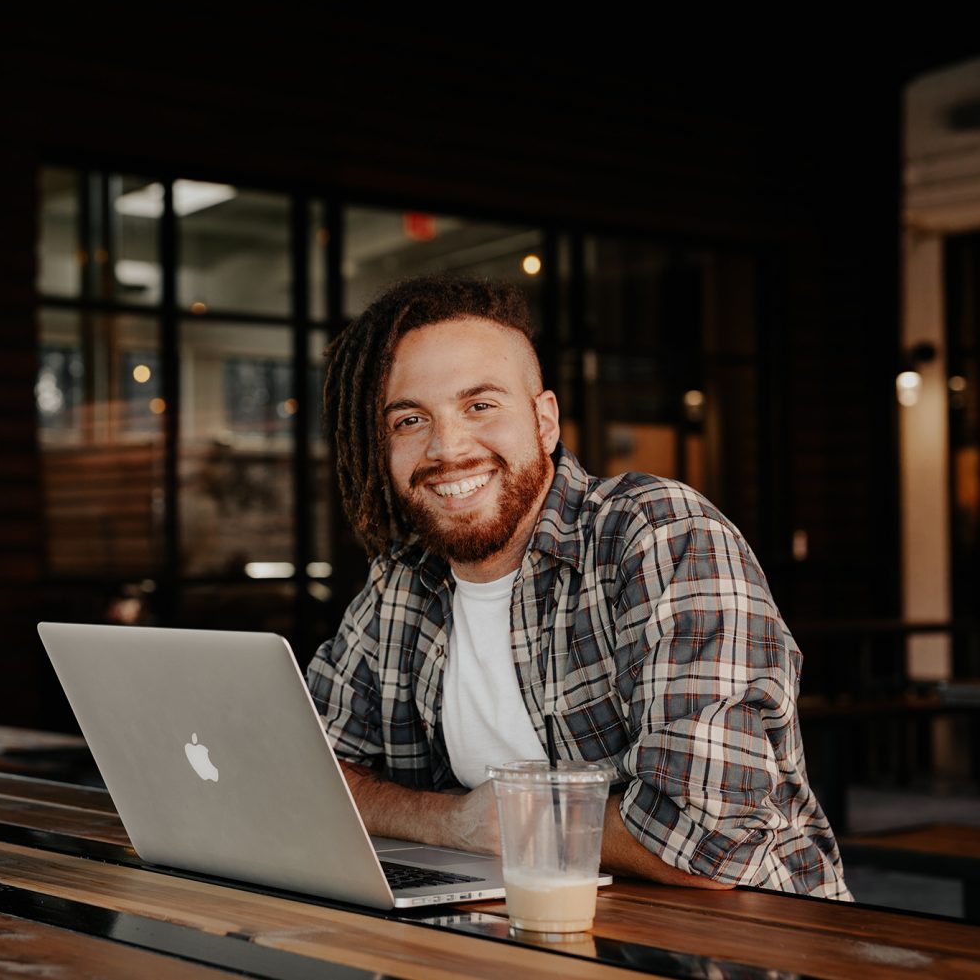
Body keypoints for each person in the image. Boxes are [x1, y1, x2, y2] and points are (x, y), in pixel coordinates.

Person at [307, 275, 850, 900]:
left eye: (480, 406)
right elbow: (309, 768)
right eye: (409, 419)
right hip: (520, 935)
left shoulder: (659, 534)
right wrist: (453, 822)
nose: (447, 447)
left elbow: (709, 841)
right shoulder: (403, 582)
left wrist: (513, 823)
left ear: (544, 421)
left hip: (745, 945)